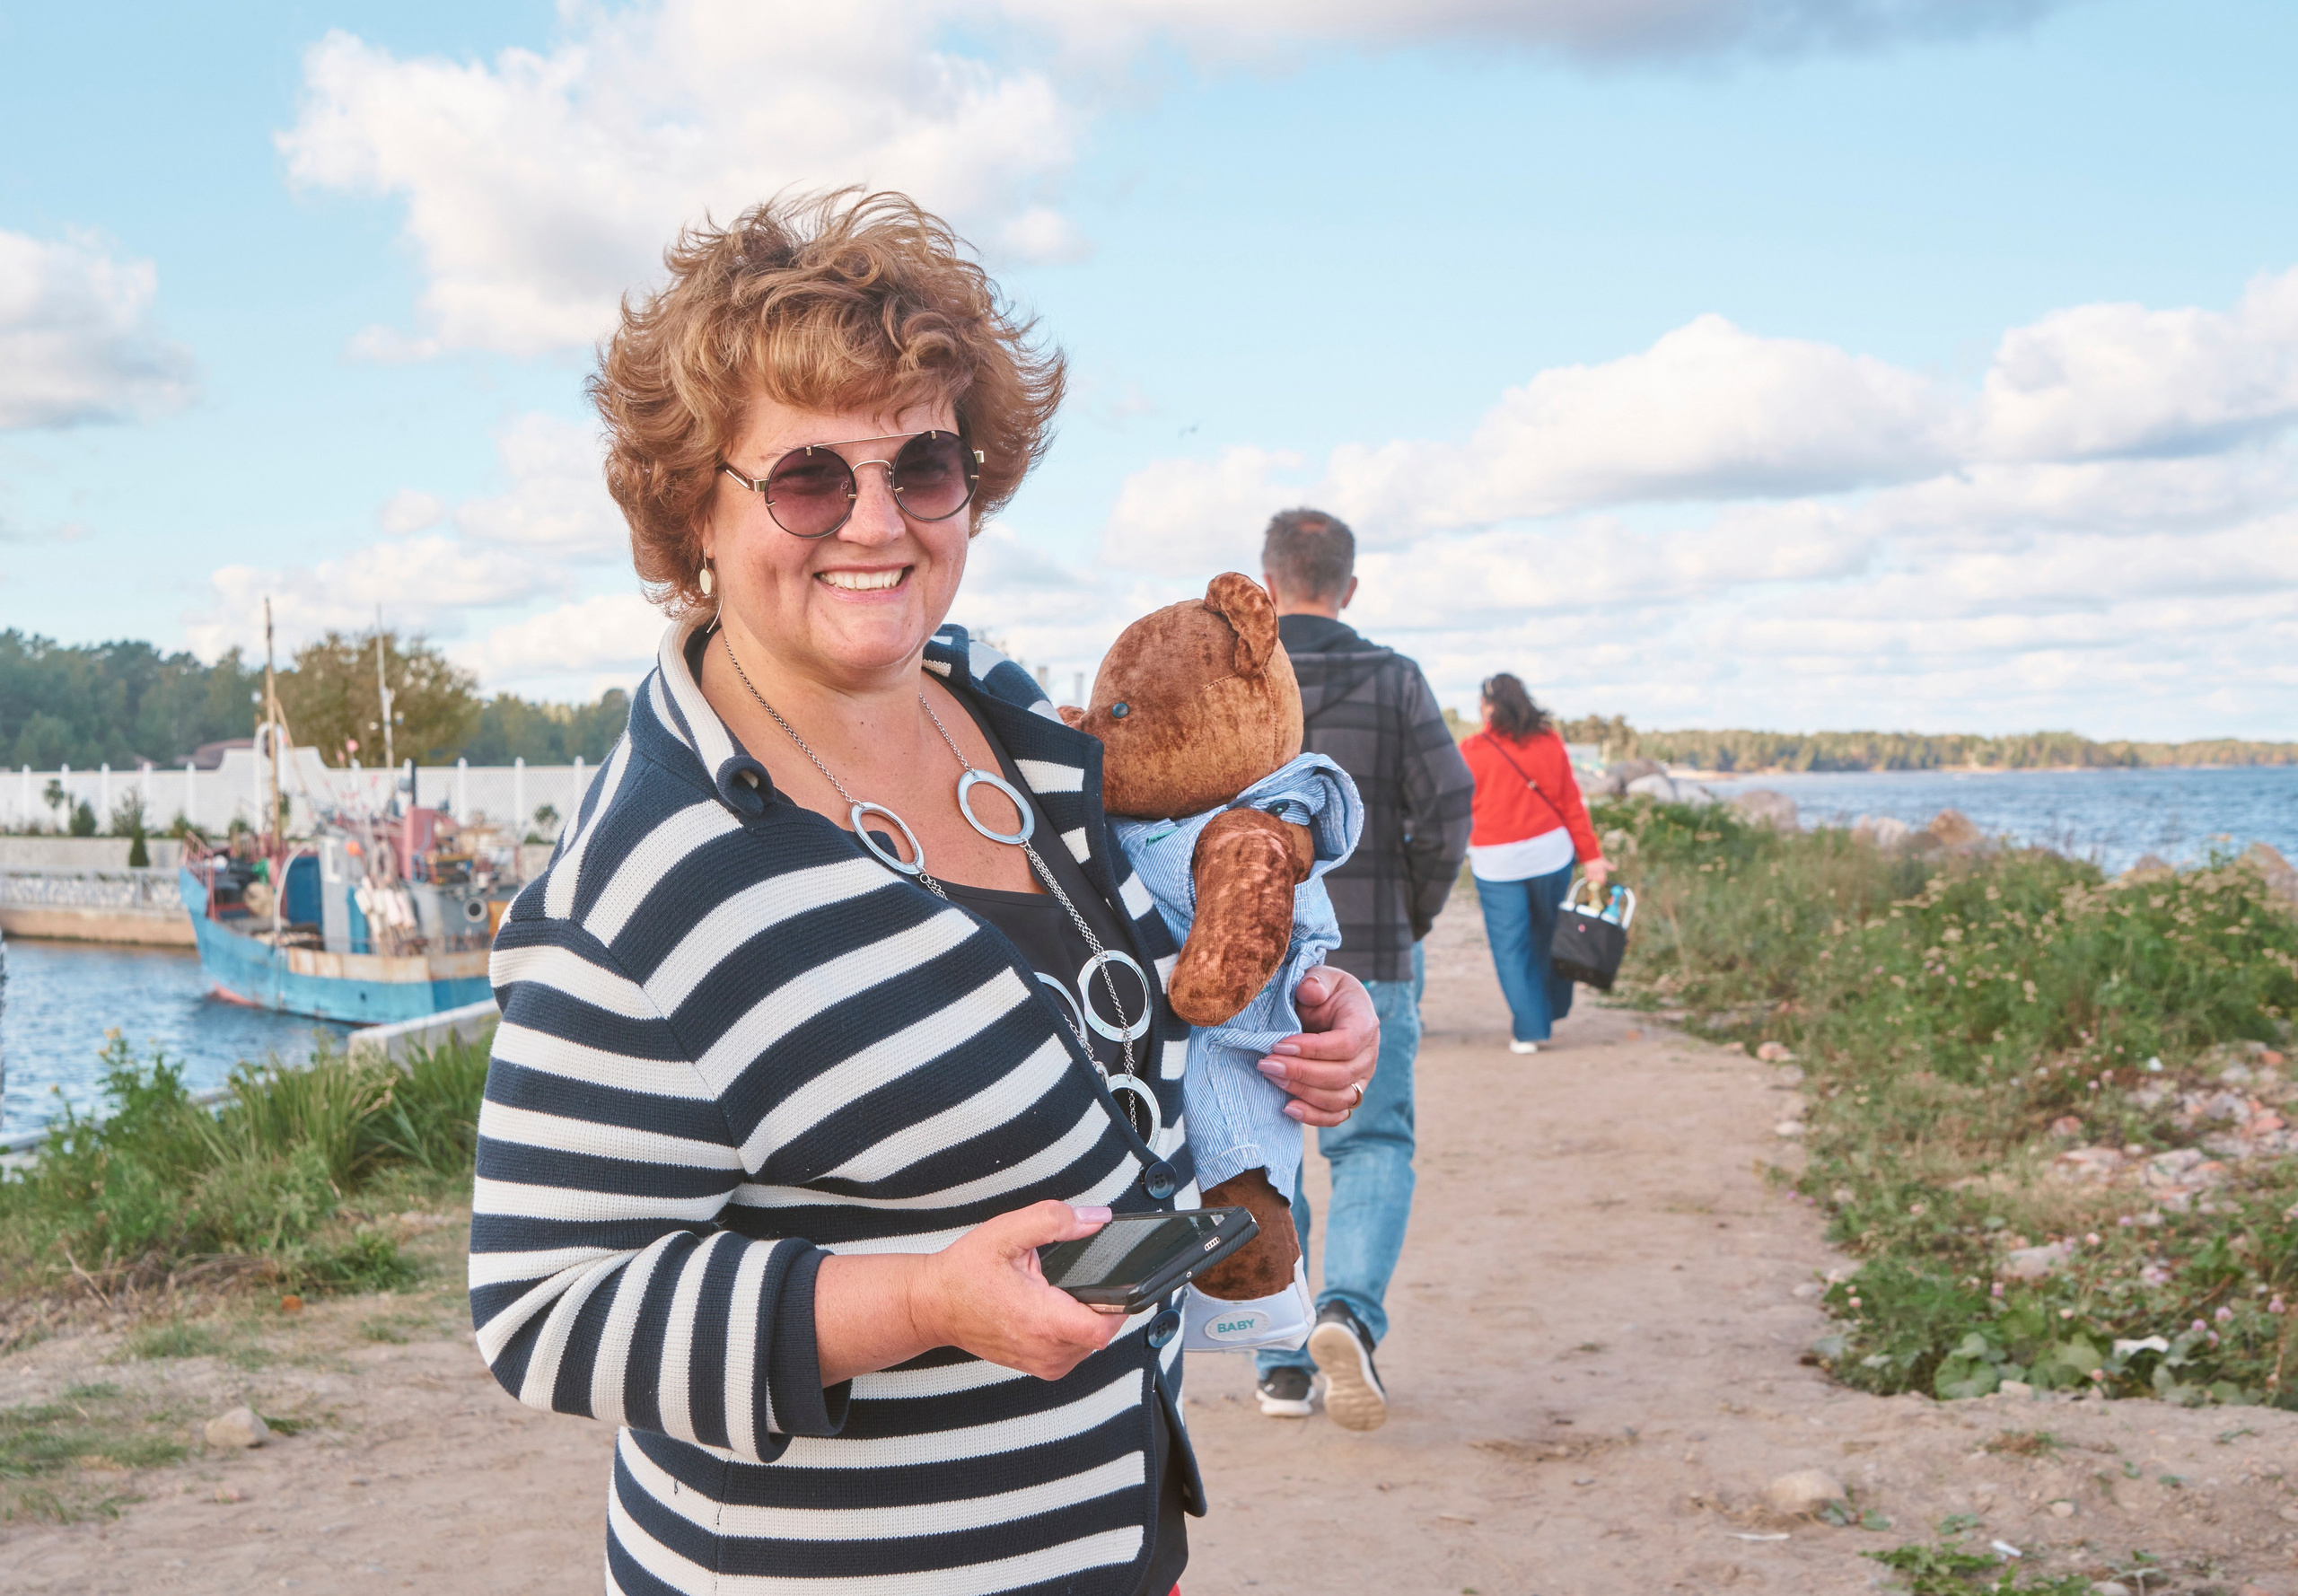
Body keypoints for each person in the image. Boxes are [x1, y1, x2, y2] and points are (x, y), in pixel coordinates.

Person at [469, 191, 1380, 1596]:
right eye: (809, 477)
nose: (877, 524)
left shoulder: (1021, 731)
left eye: (925, 467)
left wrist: (1304, 1021)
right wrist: (916, 1300)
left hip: (1114, 1529)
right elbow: (545, 1308)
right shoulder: (648, 877)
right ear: (692, 507)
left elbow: (1146, 996)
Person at [1250, 508, 1473, 1432]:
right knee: (1371, 1143)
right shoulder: (1394, 679)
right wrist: (1412, 913)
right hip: (1372, 949)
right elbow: (1450, 800)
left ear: (1266, 584)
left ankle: (1277, 1359)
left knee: (1260, 1158)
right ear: (1348, 585)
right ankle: (1346, 1310)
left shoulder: (1239, 679)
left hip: (1249, 965)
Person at [1459, 672, 1609, 1055]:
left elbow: (1459, 810)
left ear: (1490, 707)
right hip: (1550, 854)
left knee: (1512, 947)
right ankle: (1552, 1008)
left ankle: (1530, 1028)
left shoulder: (1471, 751)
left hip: (1497, 862)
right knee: (1550, 936)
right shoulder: (1549, 742)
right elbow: (1570, 802)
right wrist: (1591, 856)